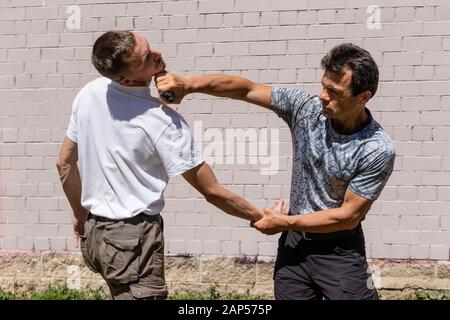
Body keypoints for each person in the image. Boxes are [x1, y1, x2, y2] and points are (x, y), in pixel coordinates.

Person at [155, 43, 396, 300]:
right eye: (324, 86)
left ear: (363, 97)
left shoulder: (376, 148)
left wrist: (286, 222)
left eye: (334, 92)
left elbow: (348, 216)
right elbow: (245, 89)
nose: (324, 96)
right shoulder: (307, 110)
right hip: (294, 250)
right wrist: (189, 85)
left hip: (339, 251)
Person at [56, 30, 263, 300]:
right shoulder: (162, 122)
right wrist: (261, 217)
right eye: (146, 59)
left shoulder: (90, 93)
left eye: (150, 48)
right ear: (126, 78)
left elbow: (64, 163)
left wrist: (81, 215)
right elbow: (211, 191)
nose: (156, 55)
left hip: (96, 234)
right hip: (132, 240)